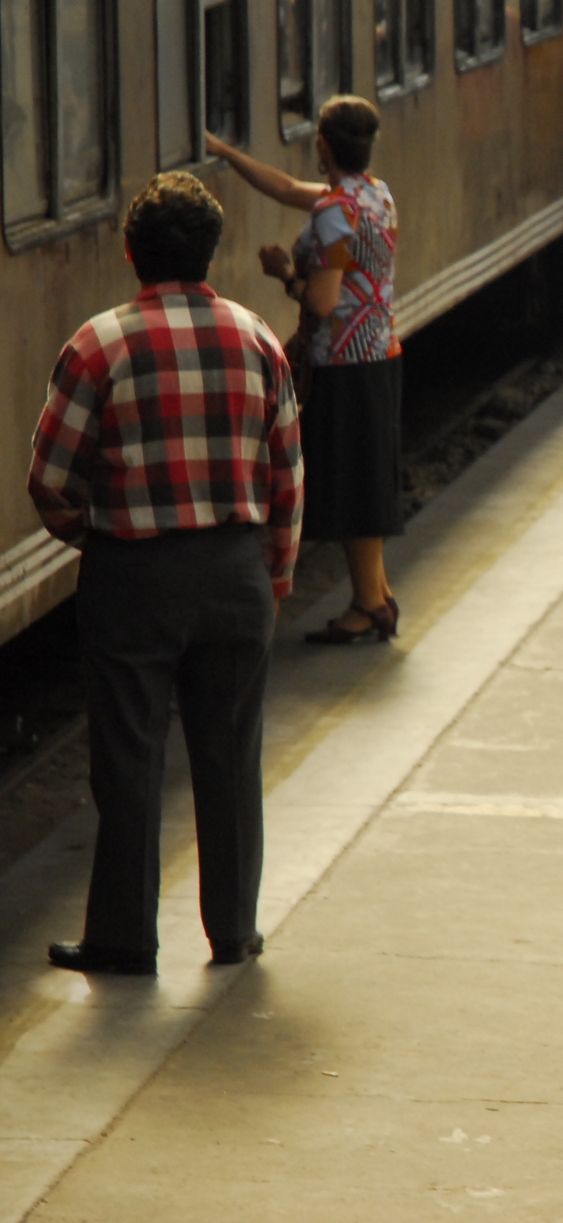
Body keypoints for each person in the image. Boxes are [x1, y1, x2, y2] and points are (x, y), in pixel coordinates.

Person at [31, 172, 302, 977]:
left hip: (133, 574)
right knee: (229, 754)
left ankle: (124, 939)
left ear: (130, 252)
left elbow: (50, 479)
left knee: (129, 758)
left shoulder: (98, 344)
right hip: (235, 571)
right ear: (212, 253)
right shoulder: (257, 339)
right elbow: (287, 474)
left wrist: (101, 536)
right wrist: (273, 573)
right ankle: (234, 933)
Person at [207, 98, 402, 641]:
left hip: (342, 362)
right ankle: (377, 595)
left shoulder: (335, 214)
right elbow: (288, 188)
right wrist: (224, 152)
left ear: (322, 145)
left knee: (348, 484)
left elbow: (321, 301)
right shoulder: (374, 194)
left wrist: (282, 274)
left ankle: (366, 605)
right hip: (379, 355)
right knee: (365, 477)